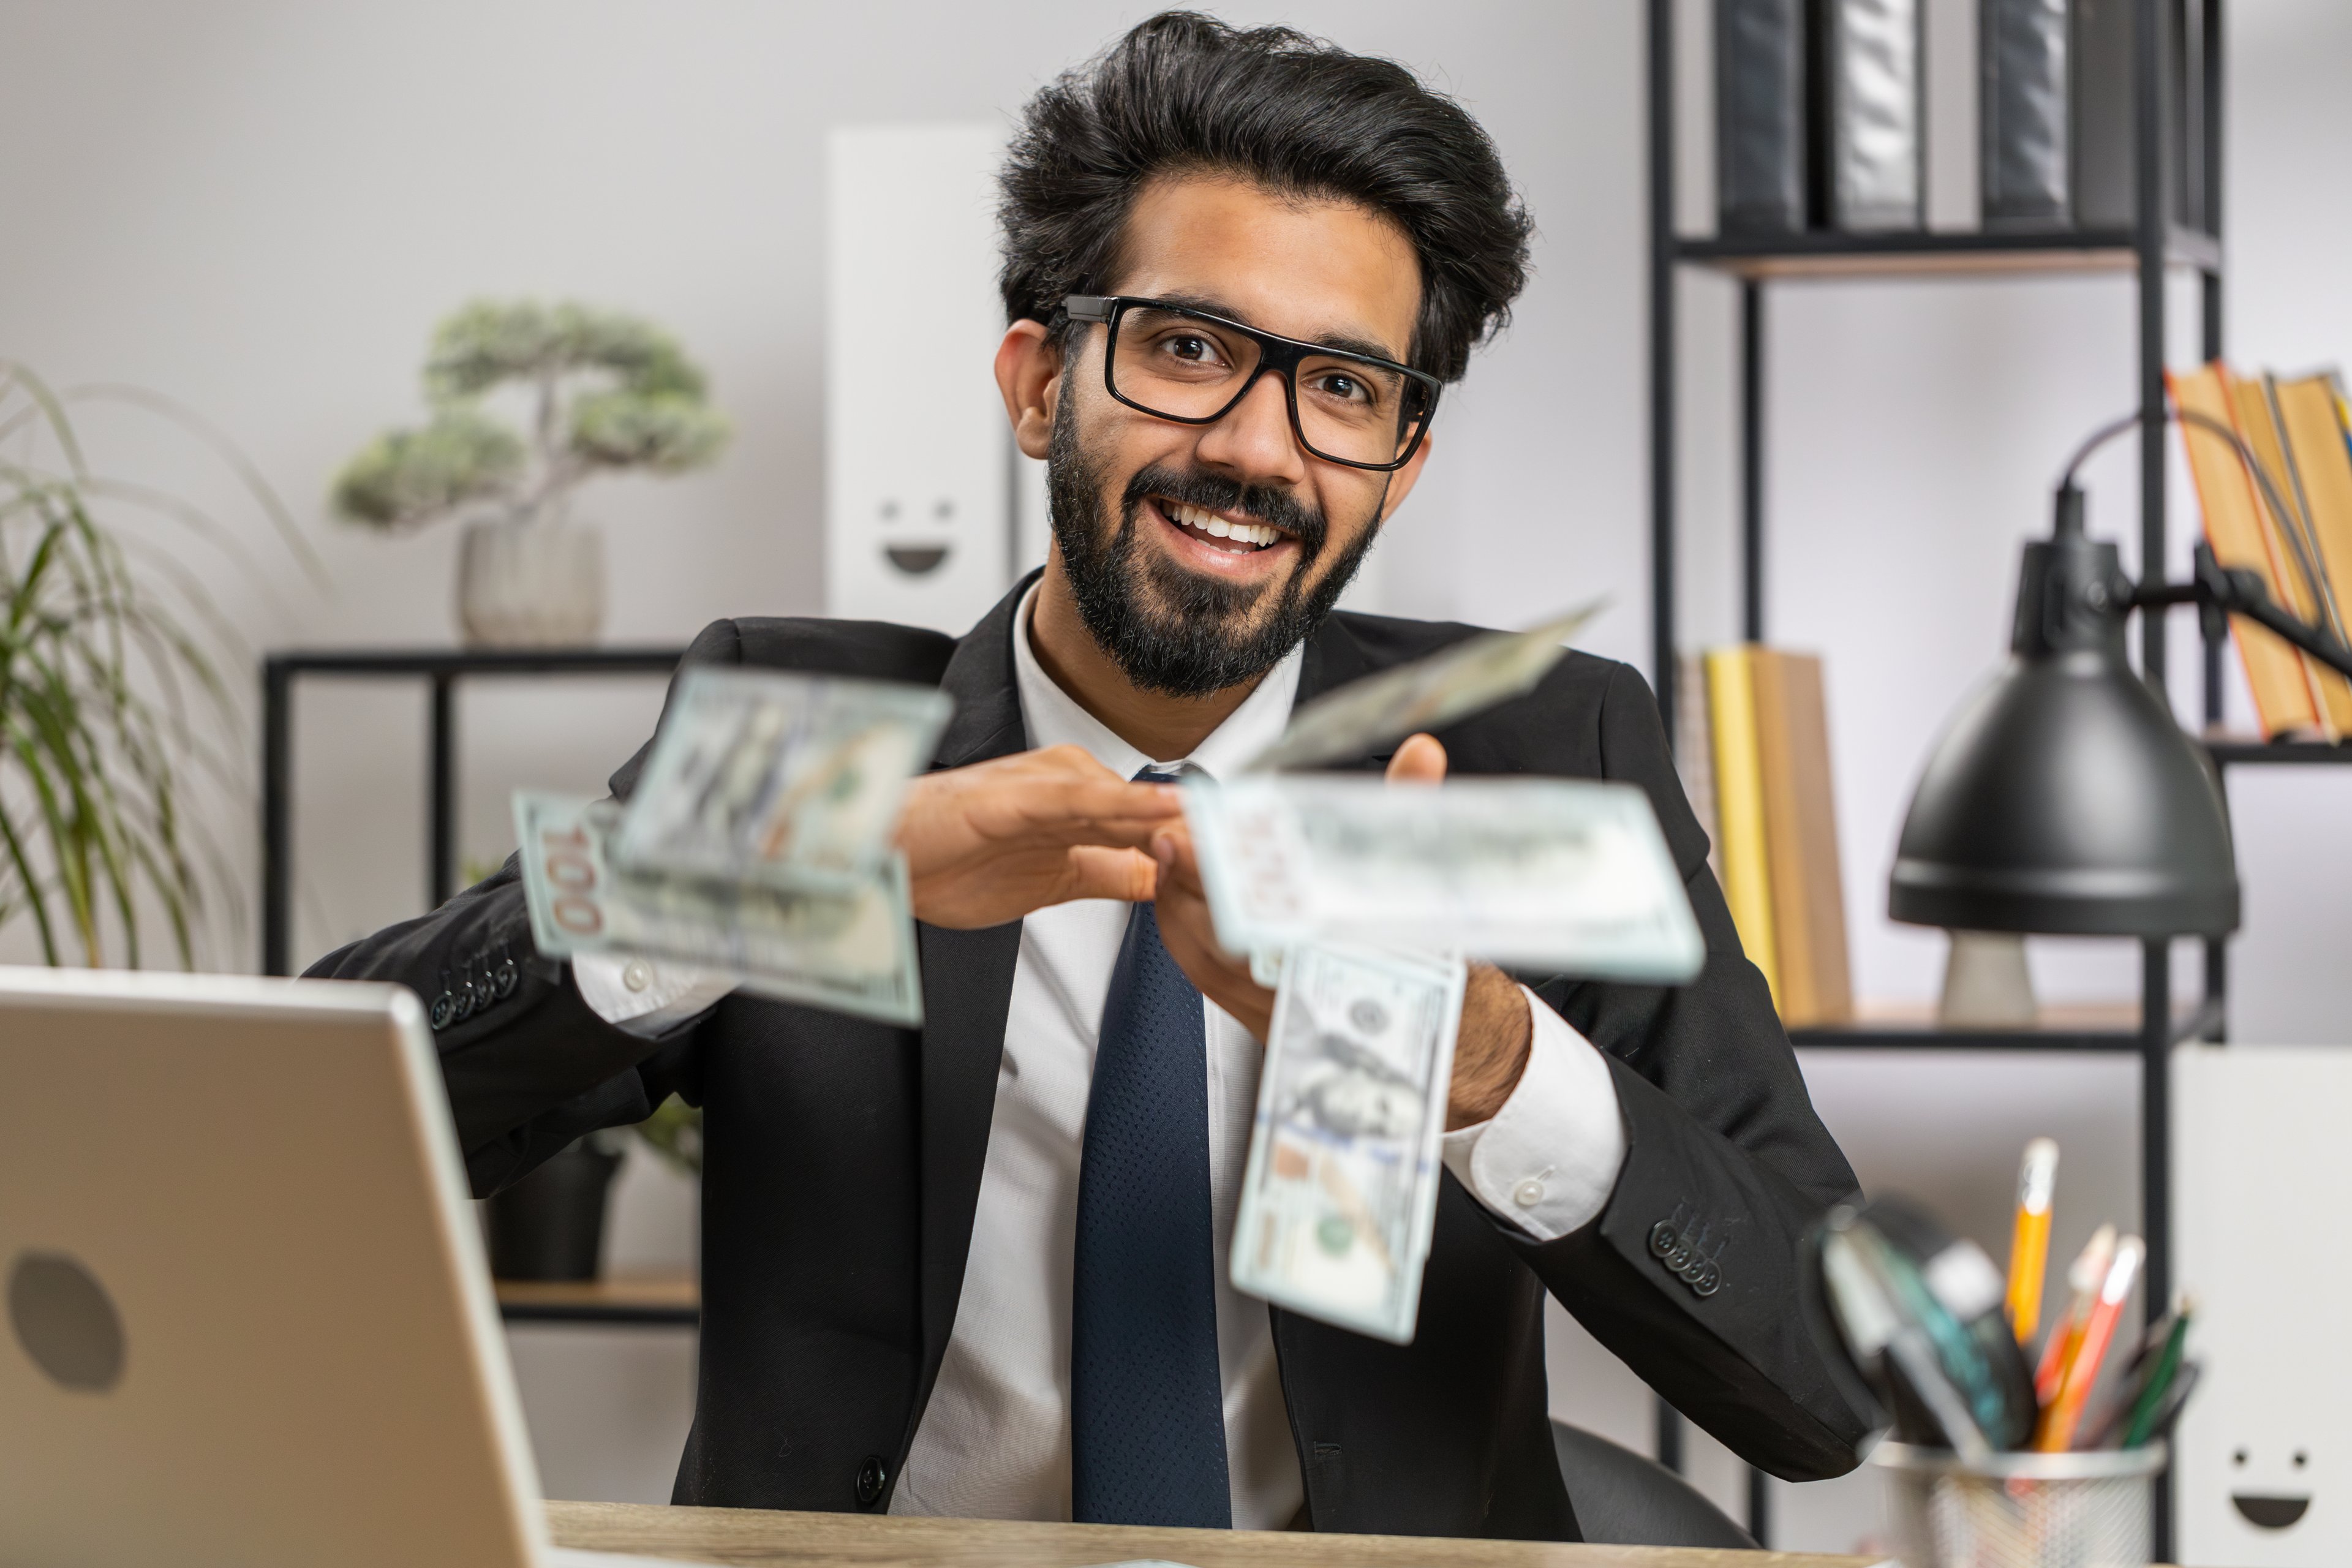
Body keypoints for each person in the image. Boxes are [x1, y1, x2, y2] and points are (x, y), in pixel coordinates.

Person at [312, 12, 1867, 1539]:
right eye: (1188, 347)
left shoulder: (1542, 753)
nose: (1261, 448)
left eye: (1342, 387)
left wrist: (1491, 1069)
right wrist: (796, 864)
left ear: (1401, 461)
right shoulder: (805, 731)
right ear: (1040, 382)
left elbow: (1829, 1378)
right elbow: (330, 1113)